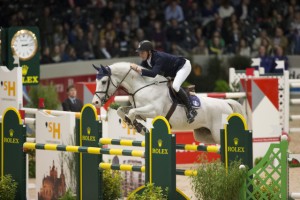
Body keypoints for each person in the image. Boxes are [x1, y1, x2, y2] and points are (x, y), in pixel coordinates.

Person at [130, 40, 197, 123]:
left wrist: (137, 68)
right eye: (139, 53)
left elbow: (153, 73)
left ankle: (191, 110)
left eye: (142, 52)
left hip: (183, 66)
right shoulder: (147, 59)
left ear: (149, 52)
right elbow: (141, 70)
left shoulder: (159, 57)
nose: (140, 55)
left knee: (175, 86)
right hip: (172, 70)